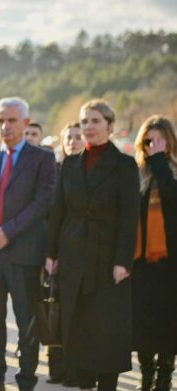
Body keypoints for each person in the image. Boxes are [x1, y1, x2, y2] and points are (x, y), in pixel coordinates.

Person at [0, 97, 56, 391]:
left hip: (23, 251)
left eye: (12, 120)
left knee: (26, 321)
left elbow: (43, 202)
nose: (6, 126)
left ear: (26, 123)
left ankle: (26, 380)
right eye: (1, 120)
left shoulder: (43, 158)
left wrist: (8, 231)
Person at [46, 99, 139, 391]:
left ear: (110, 126)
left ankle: (108, 385)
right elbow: (58, 210)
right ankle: (83, 383)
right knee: (78, 323)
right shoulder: (70, 164)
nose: (88, 127)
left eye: (96, 121)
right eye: (84, 121)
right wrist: (52, 253)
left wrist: (123, 260)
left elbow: (130, 216)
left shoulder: (124, 165)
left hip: (108, 255)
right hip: (73, 252)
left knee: (106, 326)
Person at [132, 115, 177, 391]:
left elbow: (171, 198)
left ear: (170, 142)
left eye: (160, 141)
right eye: (149, 141)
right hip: (141, 261)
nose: (153, 146)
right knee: (143, 321)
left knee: (169, 321)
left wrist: (160, 161)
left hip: (170, 261)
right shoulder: (137, 171)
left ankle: (164, 377)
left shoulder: (171, 170)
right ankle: (146, 376)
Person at [45, 121, 83, 387]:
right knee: (54, 311)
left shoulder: (90, 171)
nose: (73, 141)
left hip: (83, 250)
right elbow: (53, 214)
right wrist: (51, 252)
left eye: (77, 136)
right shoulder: (55, 170)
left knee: (79, 313)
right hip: (56, 248)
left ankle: (79, 369)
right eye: (68, 137)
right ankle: (57, 369)